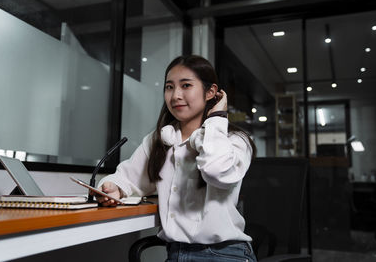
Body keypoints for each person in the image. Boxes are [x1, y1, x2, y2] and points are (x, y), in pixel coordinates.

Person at [96, 55, 258, 261]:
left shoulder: (234, 141)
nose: (175, 96)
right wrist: (114, 187)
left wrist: (217, 118)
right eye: (169, 87)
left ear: (211, 92)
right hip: (175, 253)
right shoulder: (161, 140)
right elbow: (130, 178)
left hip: (224, 253)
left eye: (186, 85)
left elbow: (216, 172)